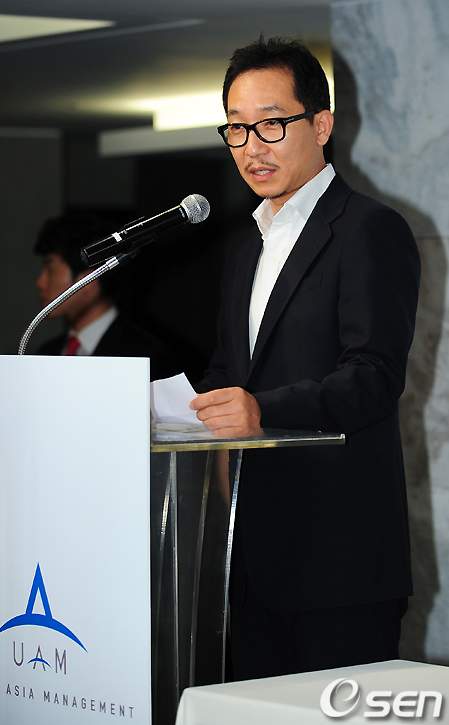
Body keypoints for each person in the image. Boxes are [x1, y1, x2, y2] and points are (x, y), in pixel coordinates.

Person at [189, 36, 421, 680]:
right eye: (236, 128)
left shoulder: (368, 228)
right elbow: (229, 371)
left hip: (339, 562)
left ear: (321, 125)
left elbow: (373, 377)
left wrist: (260, 410)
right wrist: (171, 409)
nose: (251, 147)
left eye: (271, 123)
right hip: (252, 559)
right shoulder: (246, 246)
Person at [34, 211, 179, 380]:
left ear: (89, 279)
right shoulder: (47, 354)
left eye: (50, 268)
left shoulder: (145, 357)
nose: (40, 282)